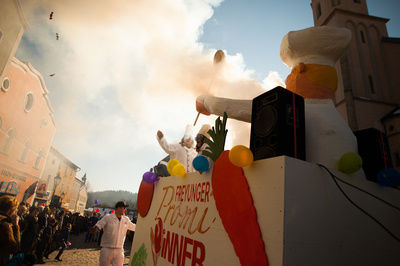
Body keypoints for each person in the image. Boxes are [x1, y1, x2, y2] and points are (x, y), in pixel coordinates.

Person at [90, 201, 136, 266]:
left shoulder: (126, 219)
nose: (125, 210)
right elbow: (99, 225)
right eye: (124, 208)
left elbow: (134, 227)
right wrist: (95, 229)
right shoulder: (108, 217)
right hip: (107, 248)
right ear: (118, 208)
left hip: (119, 250)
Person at [0, 195, 20, 266]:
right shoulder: (6, 225)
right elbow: (14, 248)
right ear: (10, 210)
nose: (15, 213)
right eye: (15, 210)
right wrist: (16, 226)